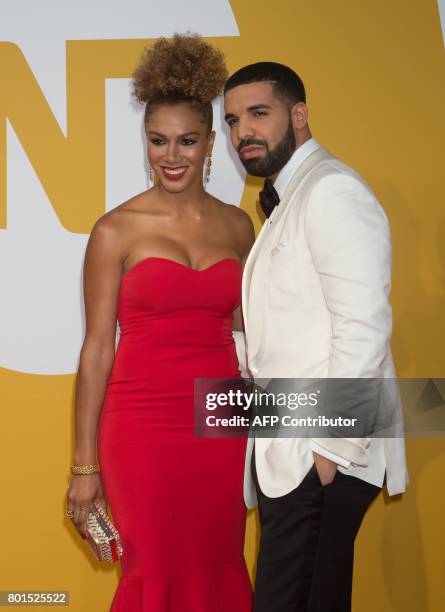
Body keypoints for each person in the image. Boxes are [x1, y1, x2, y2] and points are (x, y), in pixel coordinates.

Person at [66, 34, 254, 611]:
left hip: (222, 425)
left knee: (220, 561)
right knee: (151, 572)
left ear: (210, 144)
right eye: (158, 141)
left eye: (187, 141)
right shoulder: (115, 231)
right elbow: (97, 350)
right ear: (144, 143)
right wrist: (83, 466)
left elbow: (253, 340)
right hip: (141, 426)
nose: (172, 156)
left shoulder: (239, 227)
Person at [223, 62, 408, 612]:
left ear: (298, 115)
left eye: (259, 114)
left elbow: (364, 325)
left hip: (320, 451)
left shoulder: (331, 190)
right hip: (293, 448)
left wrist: (328, 451)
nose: (242, 133)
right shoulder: (293, 194)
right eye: (233, 121)